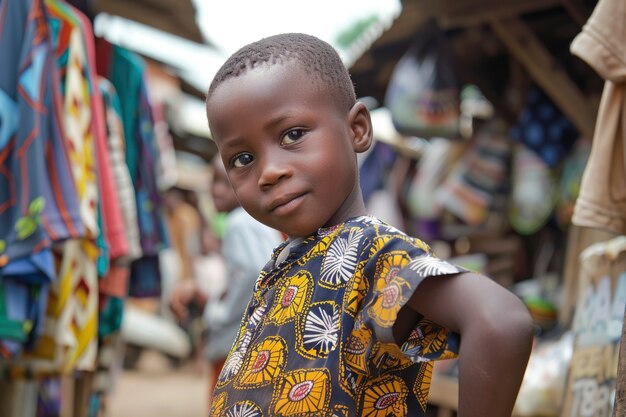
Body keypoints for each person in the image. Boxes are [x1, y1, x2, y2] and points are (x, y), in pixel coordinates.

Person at [204, 33, 534, 417]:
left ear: (357, 130)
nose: (269, 172)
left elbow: (500, 321)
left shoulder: (368, 252)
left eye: (292, 135)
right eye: (243, 158)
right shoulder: (287, 262)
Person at [169, 155, 283, 397]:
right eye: (214, 181)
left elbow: (252, 274)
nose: (216, 191)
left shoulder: (238, 223)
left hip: (234, 342)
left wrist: (216, 312)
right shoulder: (256, 221)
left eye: (226, 184)